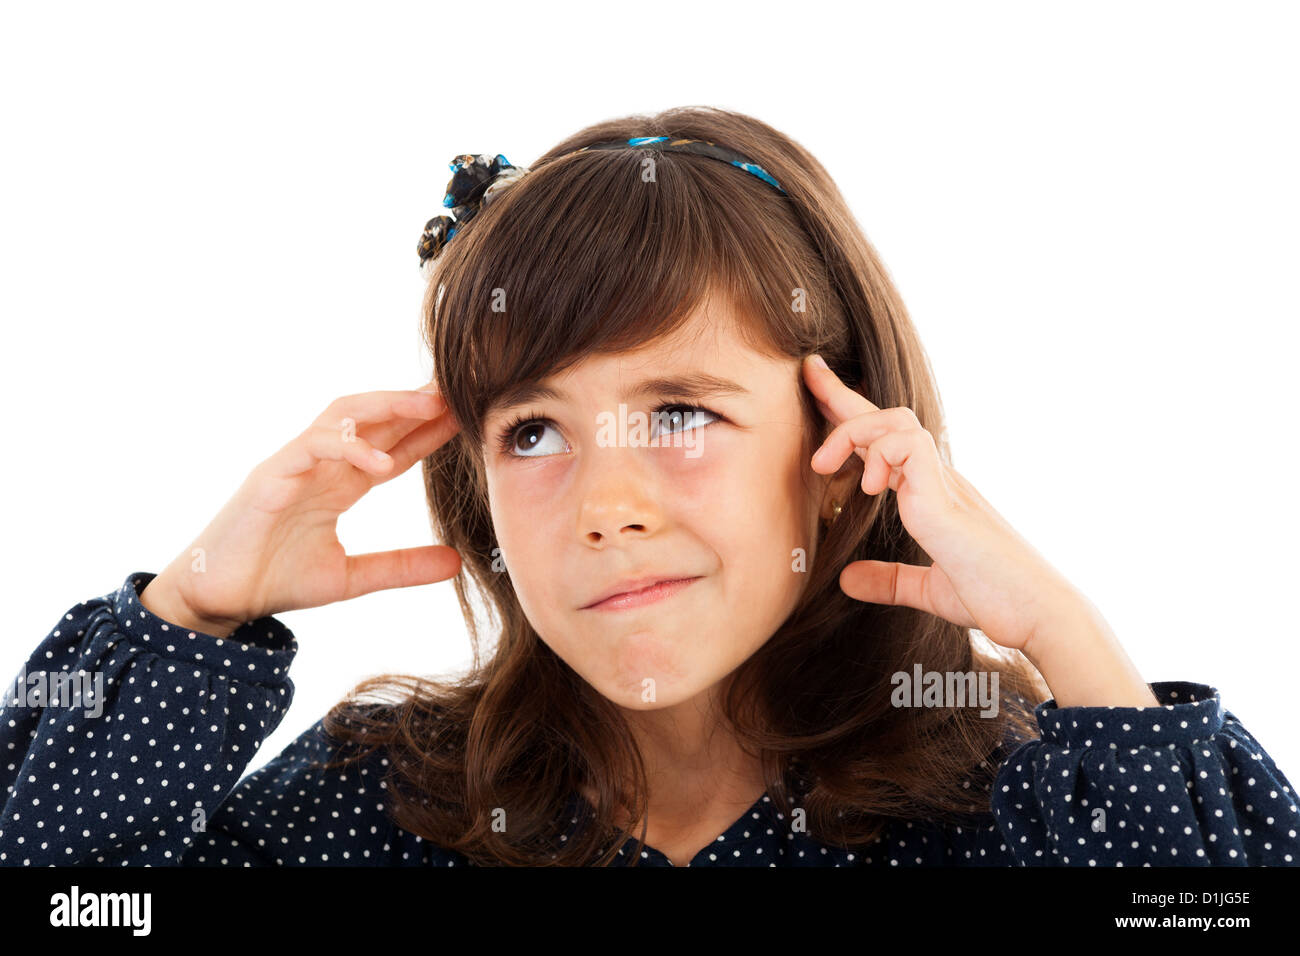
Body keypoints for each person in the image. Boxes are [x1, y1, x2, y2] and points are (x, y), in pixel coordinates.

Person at [3, 107, 1297, 867]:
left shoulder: (1022, 807)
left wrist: (1072, 640)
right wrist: (185, 619)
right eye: (532, 433)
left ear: (841, 443)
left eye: (681, 411)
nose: (605, 503)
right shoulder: (381, 799)